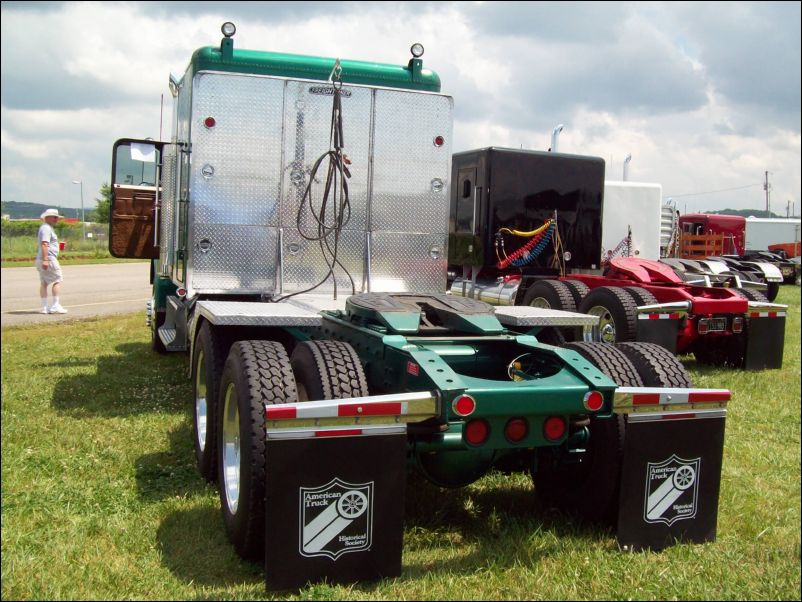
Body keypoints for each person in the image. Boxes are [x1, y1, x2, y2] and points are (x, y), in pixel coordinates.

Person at [35, 208, 68, 314]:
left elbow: (47, 243)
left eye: (56, 217)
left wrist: (57, 246)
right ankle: (55, 305)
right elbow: (44, 243)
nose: (56, 219)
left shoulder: (45, 228)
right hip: (48, 258)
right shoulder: (46, 228)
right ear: (47, 217)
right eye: (54, 217)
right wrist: (46, 259)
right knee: (57, 280)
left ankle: (45, 307)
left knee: (44, 282)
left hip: (43, 258)